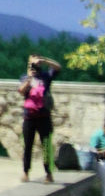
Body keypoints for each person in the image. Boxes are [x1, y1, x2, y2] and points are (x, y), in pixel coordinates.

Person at [18, 55, 61, 183]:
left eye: (36, 64)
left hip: (44, 117)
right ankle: (26, 172)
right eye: (31, 63)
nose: (34, 66)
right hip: (29, 117)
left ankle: (49, 174)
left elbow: (58, 67)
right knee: (27, 146)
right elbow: (21, 91)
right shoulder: (25, 78)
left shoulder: (46, 76)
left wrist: (45, 60)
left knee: (47, 146)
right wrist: (30, 78)